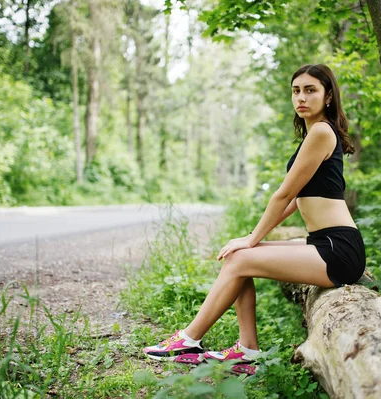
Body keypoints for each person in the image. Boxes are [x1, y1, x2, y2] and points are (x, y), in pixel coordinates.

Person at [143, 64, 366, 375]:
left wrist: (252, 238)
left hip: (338, 250)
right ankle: (247, 350)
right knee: (237, 256)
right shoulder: (317, 133)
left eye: (310, 90)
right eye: (296, 91)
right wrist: (255, 238)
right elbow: (297, 201)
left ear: (328, 96)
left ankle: (188, 340)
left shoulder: (320, 132)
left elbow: (283, 195)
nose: (301, 97)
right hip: (326, 243)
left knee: (239, 257)